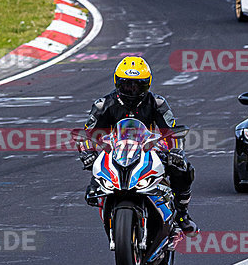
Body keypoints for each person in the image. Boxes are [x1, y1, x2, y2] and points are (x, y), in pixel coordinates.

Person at [77, 55, 198, 234]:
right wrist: (87, 153)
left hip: (149, 146)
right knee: (93, 190)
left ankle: (182, 214)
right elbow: (87, 134)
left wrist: (176, 151)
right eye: (127, 84)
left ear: (146, 84)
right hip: (114, 149)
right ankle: (111, 211)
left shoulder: (157, 103)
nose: (131, 90)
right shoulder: (104, 105)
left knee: (183, 169)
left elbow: (170, 130)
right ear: (117, 83)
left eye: (136, 85)